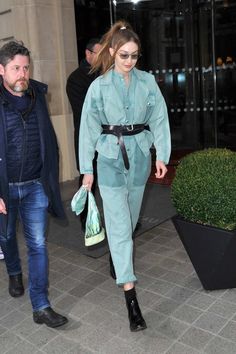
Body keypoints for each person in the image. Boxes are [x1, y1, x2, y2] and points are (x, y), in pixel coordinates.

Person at [79, 20, 171, 332]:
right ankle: (131, 299)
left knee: (129, 223)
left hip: (140, 157)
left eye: (134, 56)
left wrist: (162, 155)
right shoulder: (99, 86)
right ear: (112, 52)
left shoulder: (148, 82)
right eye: (124, 56)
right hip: (109, 159)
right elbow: (87, 130)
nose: (129, 61)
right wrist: (86, 171)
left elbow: (159, 119)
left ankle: (118, 257)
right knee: (119, 224)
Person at [0, 41, 68, 328]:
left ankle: (40, 306)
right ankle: (14, 272)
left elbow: (49, 140)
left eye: (26, 67)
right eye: (16, 68)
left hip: (34, 186)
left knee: (38, 245)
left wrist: (50, 176)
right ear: (1, 70)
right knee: (5, 238)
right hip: (4, 189)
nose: (22, 74)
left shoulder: (37, 96)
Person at [66, 38, 101, 230]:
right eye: (99, 53)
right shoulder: (75, 79)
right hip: (86, 138)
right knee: (88, 179)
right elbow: (84, 113)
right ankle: (86, 219)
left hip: (109, 138)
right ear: (88, 54)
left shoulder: (107, 74)